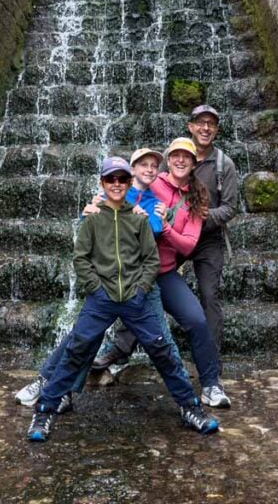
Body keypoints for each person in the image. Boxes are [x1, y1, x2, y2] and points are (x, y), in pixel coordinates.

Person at [26, 156, 219, 442]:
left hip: (135, 298)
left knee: (162, 350)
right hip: (101, 298)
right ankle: (45, 410)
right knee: (77, 348)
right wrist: (96, 287)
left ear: (129, 182)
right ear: (103, 183)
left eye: (121, 179)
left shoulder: (140, 217)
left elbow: (151, 260)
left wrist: (140, 289)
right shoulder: (93, 219)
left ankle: (191, 408)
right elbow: (81, 259)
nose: (116, 184)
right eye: (110, 179)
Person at [13, 147, 183, 410]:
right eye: (143, 165)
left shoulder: (153, 203)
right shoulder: (107, 196)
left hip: (140, 285)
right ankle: (51, 383)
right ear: (132, 170)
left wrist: (139, 215)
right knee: (83, 338)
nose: (149, 169)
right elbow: (87, 227)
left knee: (162, 340)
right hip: (106, 283)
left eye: (154, 165)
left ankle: (187, 403)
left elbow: (154, 230)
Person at [92, 138, 230, 409]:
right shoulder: (152, 179)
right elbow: (119, 188)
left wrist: (165, 226)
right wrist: (97, 203)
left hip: (163, 272)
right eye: (176, 156)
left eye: (186, 157)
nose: (180, 160)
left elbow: (189, 244)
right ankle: (57, 385)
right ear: (169, 160)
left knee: (196, 320)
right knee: (90, 325)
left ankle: (211, 384)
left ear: (193, 163)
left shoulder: (196, 198)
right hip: (128, 271)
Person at [185, 103, 238, 405]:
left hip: (208, 240)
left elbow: (230, 208)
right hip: (177, 236)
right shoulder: (177, 157)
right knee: (147, 281)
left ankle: (211, 371)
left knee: (209, 296)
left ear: (216, 130)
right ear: (190, 126)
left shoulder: (224, 164)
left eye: (211, 124)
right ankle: (119, 352)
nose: (206, 128)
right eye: (200, 123)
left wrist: (204, 218)